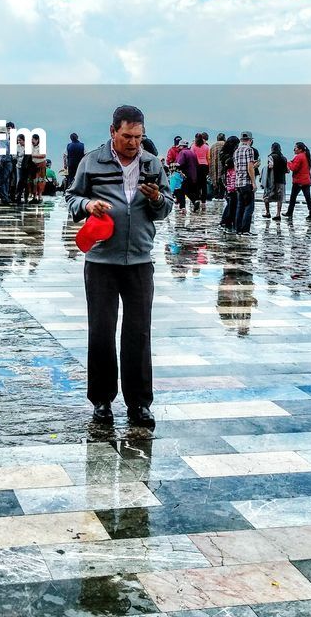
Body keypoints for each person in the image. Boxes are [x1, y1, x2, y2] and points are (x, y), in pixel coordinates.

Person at [66, 105, 172, 428]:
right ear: (113, 131)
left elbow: (166, 206)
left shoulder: (152, 164)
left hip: (139, 261)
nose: (133, 143)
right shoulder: (92, 162)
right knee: (101, 332)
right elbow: (71, 197)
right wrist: (88, 205)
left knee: (138, 333)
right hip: (101, 263)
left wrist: (156, 198)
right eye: (127, 136)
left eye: (138, 137)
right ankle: (101, 401)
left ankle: (139, 403)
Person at [234, 131, 258, 234]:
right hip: (246, 182)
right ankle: (245, 230)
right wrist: (253, 182)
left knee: (240, 207)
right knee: (249, 207)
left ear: (241, 140)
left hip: (238, 182)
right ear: (250, 140)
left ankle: (238, 229)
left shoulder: (236, 151)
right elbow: (249, 167)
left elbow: (236, 168)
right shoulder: (249, 150)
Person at [284, 142, 311, 219]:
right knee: (308, 198)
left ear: (300, 149)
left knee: (293, 198)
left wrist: (288, 163)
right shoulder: (307, 157)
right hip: (306, 181)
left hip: (298, 181)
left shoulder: (299, 157)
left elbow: (294, 168)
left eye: (296, 148)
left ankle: (289, 212)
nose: (294, 149)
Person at [217, 135, 239, 232]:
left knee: (231, 201)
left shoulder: (224, 152)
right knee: (232, 201)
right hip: (229, 179)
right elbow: (228, 163)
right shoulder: (227, 155)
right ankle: (226, 221)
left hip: (227, 178)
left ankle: (227, 221)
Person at [262, 142, 287, 220]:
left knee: (266, 196)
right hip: (281, 180)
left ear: (272, 149)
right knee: (279, 198)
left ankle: (268, 212)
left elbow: (270, 166)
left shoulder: (271, 156)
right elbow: (287, 170)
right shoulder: (284, 158)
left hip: (272, 180)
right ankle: (278, 214)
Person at [177, 139, 200, 213]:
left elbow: (180, 164)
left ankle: (183, 208)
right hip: (194, 176)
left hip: (186, 175)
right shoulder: (192, 152)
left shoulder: (182, 152)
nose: (178, 147)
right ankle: (195, 201)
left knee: (181, 191)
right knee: (189, 191)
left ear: (182, 146)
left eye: (179, 146)